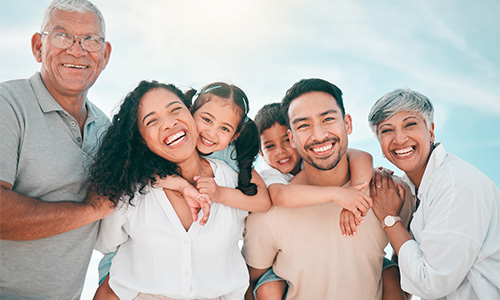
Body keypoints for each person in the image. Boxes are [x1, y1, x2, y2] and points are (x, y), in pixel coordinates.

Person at [242, 78, 414, 299]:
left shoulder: (392, 192)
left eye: (328, 119)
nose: (319, 134)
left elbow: (411, 266)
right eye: (303, 125)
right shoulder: (269, 212)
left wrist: (358, 193)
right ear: (292, 138)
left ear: (348, 124)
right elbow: (248, 282)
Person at [95, 81, 272, 291]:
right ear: (193, 111)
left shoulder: (228, 161)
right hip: (126, 277)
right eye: (206, 120)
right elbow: (135, 168)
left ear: (234, 136)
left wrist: (220, 193)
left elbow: (262, 200)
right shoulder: (137, 180)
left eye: (224, 128)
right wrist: (180, 185)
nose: (211, 133)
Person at [0, 0, 112, 298]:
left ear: (105, 54)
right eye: (62, 35)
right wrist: (89, 210)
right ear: (38, 47)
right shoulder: (7, 104)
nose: (77, 50)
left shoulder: (107, 129)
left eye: (90, 39)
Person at [368, 88, 500, 300]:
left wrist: (389, 219)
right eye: (387, 130)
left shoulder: (455, 185)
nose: (399, 139)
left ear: (430, 132)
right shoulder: (410, 188)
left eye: (410, 124)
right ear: (380, 145)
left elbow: (432, 284)